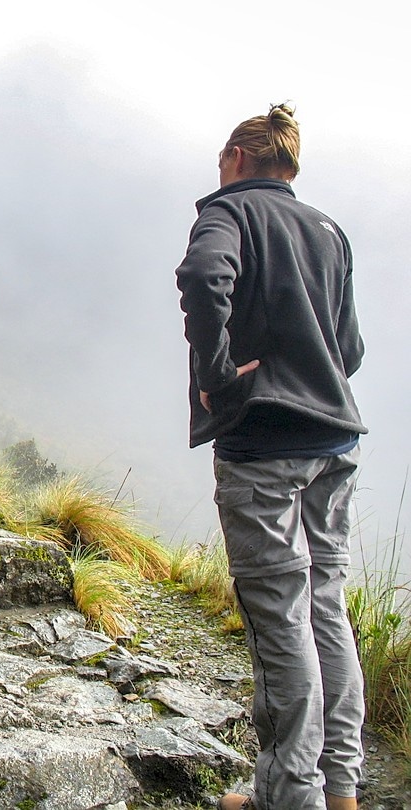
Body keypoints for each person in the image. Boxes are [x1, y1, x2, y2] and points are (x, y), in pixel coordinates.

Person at [174, 104, 367, 810]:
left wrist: (219, 376)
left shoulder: (228, 214)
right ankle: (340, 790)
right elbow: (350, 350)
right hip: (334, 443)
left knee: (281, 619)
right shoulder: (327, 230)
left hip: (265, 449)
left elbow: (202, 276)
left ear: (235, 158)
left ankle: (288, 797)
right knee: (326, 611)